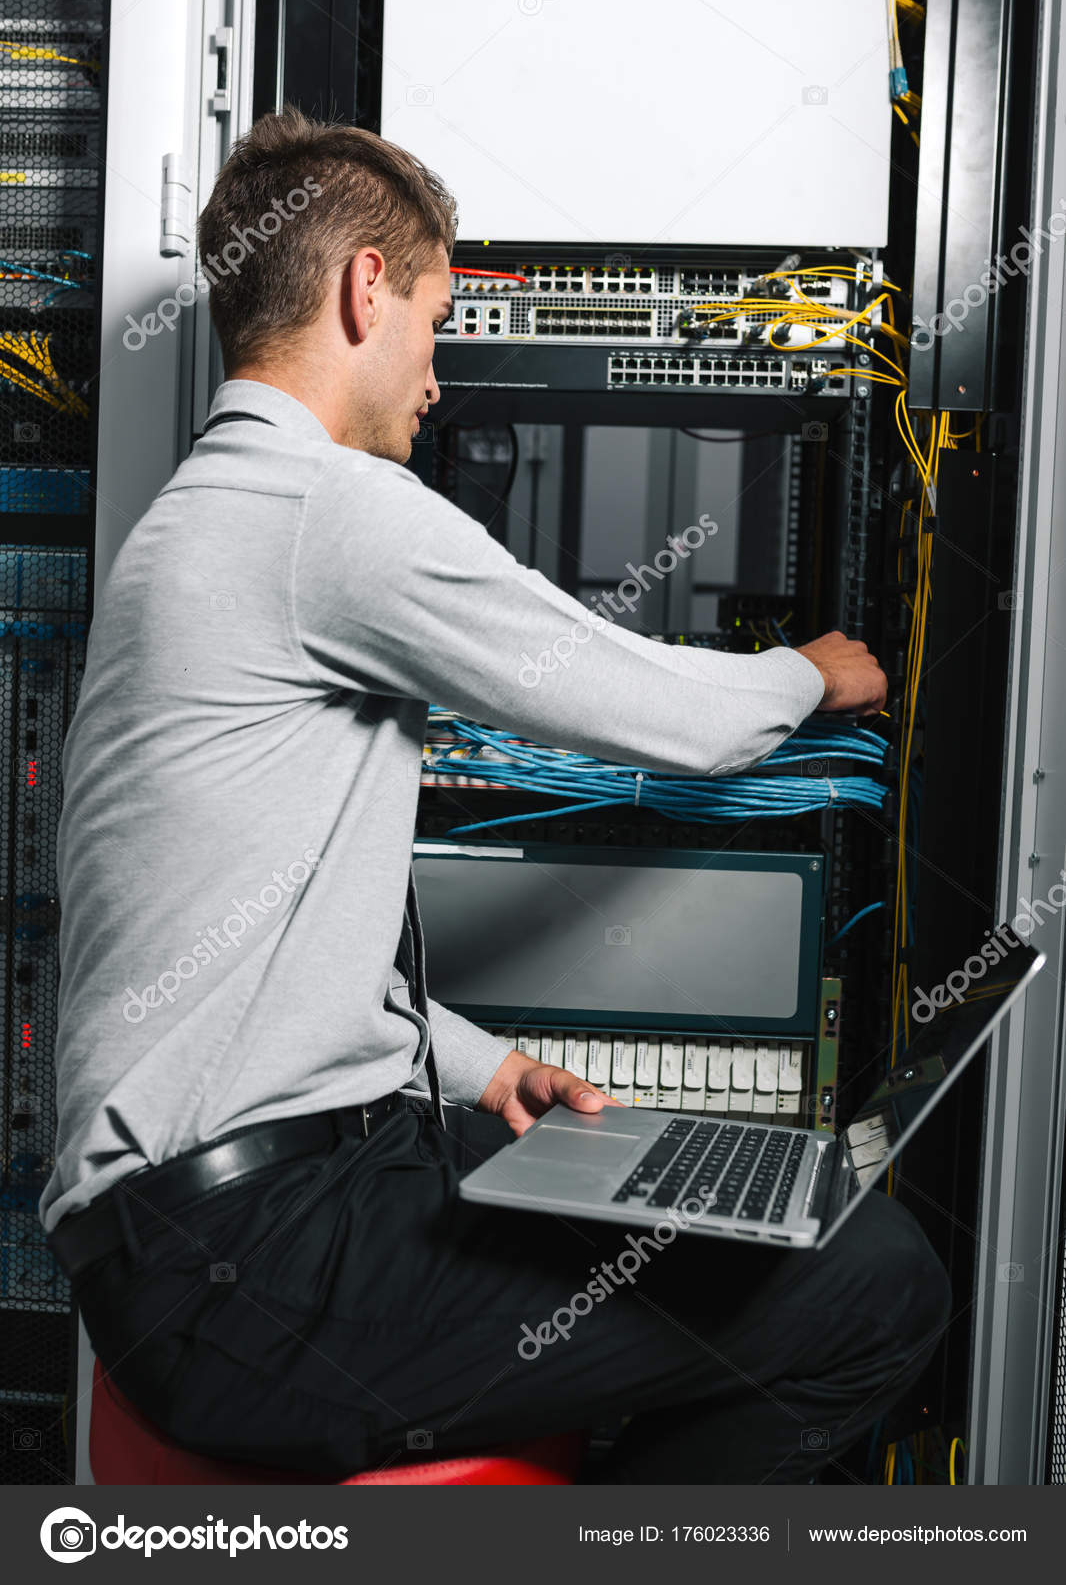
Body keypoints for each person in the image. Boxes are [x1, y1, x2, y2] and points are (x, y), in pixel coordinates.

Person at [42, 106, 949, 1484]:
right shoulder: (319, 512)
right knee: (874, 1280)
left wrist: (484, 1067)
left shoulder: (196, 524)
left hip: (227, 1237)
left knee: (751, 1237)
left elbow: (258, 946)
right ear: (362, 288)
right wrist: (807, 674)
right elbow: (661, 712)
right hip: (248, 1266)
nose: (435, 376)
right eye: (432, 319)